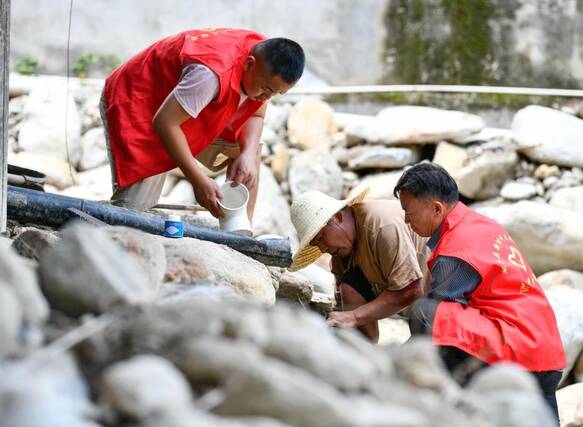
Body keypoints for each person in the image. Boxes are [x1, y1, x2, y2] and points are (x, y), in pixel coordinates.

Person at [394, 162, 566, 421]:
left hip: (518, 353)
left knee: (426, 313)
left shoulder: (455, 252)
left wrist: (395, 366)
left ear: (436, 209)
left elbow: (437, 324)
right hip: (547, 352)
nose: (406, 220)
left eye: (408, 211)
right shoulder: (481, 225)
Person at [100, 28, 305, 220]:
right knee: (133, 214)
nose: (266, 98)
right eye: (265, 89)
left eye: (276, 93)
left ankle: (238, 228)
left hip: (190, 106)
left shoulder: (266, 63)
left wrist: (248, 153)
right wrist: (198, 180)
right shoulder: (210, 75)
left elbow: (256, 115)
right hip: (140, 102)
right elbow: (165, 123)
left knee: (249, 155)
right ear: (249, 64)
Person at [289, 189, 430, 343]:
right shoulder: (341, 250)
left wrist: (354, 316)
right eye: (317, 245)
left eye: (322, 238)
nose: (323, 249)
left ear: (337, 217)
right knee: (349, 286)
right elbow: (342, 307)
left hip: (442, 295)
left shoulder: (382, 226)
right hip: (415, 303)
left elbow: (411, 290)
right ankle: (366, 348)